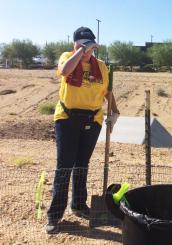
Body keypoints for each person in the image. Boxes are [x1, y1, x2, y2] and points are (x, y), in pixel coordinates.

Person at [46, 27, 120, 233]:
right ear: (75, 43)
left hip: (92, 119)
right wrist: (80, 53)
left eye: (90, 44)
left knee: (82, 165)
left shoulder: (102, 67)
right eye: (82, 43)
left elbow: (108, 92)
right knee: (65, 166)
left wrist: (115, 111)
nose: (88, 48)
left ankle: (79, 205)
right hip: (67, 118)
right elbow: (64, 71)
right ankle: (54, 215)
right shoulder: (67, 57)